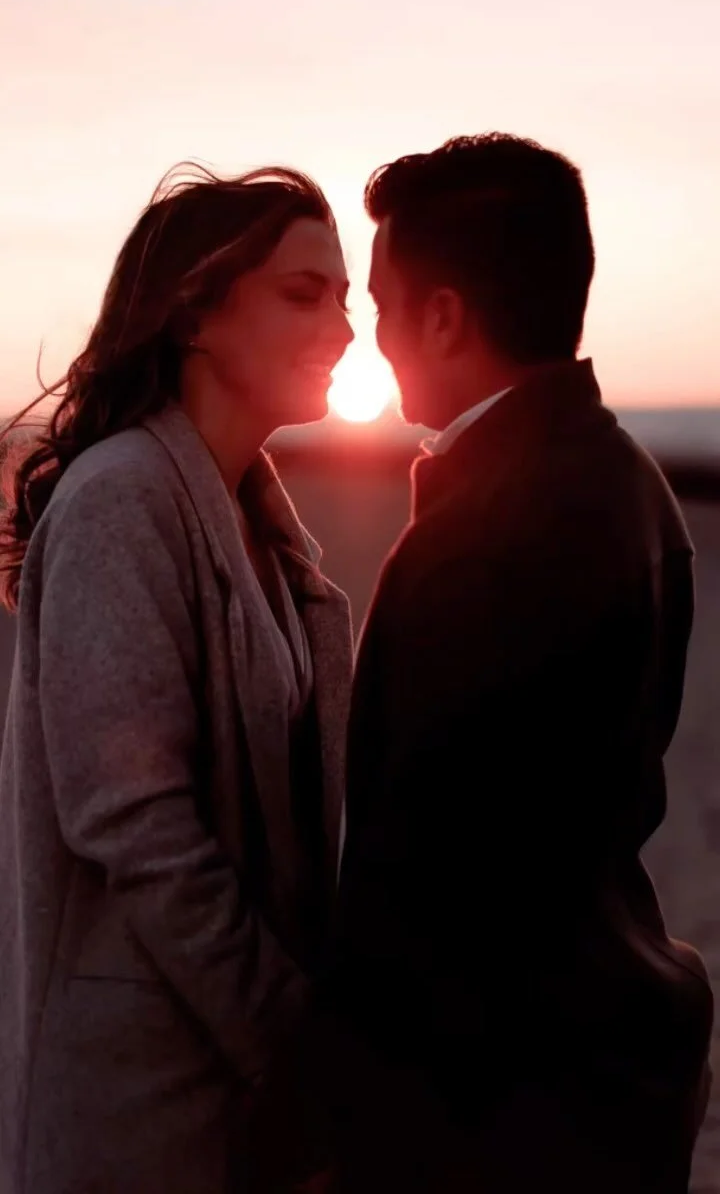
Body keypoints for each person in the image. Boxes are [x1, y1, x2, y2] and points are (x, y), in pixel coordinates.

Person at [330, 133, 713, 1192]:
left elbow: (423, 881)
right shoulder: (630, 481)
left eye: (384, 304)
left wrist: (330, 1117)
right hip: (604, 1059)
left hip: (500, 1111)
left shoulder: (493, 531)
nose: (373, 337)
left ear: (444, 316)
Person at [0, 161, 354, 1194]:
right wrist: (294, 1045)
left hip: (239, 1107)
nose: (343, 330)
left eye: (346, 299)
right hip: (141, 1104)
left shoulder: (263, 527)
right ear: (195, 313)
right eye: (304, 294)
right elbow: (136, 825)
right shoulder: (121, 500)